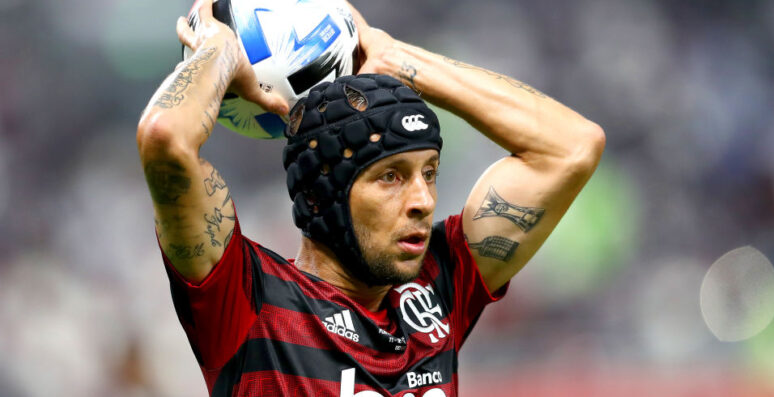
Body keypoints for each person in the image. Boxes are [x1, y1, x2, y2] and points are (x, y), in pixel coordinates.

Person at [136, 1, 604, 396]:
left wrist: (397, 58)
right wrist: (219, 52)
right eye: (391, 177)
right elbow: (165, 140)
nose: (423, 200)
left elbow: (572, 147)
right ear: (323, 195)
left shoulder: (436, 287)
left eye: (430, 173)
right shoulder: (250, 305)